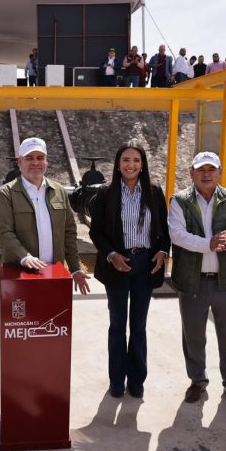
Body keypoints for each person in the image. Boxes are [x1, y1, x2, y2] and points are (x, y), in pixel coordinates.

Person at [88, 140, 170, 399]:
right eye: (126, 160)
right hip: (117, 265)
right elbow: (96, 231)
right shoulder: (105, 193)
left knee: (139, 325)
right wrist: (111, 255)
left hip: (145, 264)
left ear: (143, 165)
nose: (131, 165)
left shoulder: (154, 192)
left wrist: (162, 250)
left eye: (136, 160)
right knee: (117, 325)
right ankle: (116, 380)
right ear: (118, 164)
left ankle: (136, 380)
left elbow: (164, 231)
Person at [168, 152, 226, 408]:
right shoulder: (179, 200)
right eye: (201, 169)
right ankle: (197, 381)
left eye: (211, 169)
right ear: (191, 172)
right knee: (193, 336)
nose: (206, 174)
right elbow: (177, 235)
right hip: (192, 281)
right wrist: (209, 244)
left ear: (219, 172)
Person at [0, 137, 90, 295]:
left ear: (47, 161)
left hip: (54, 272)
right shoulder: (7, 193)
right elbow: (4, 232)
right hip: (21, 273)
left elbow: (69, 233)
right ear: (19, 162)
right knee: (25, 319)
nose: (35, 163)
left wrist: (75, 268)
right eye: (29, 158)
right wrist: (24, 257)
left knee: (54, 319)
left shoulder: (58, 191)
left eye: (40, 158)